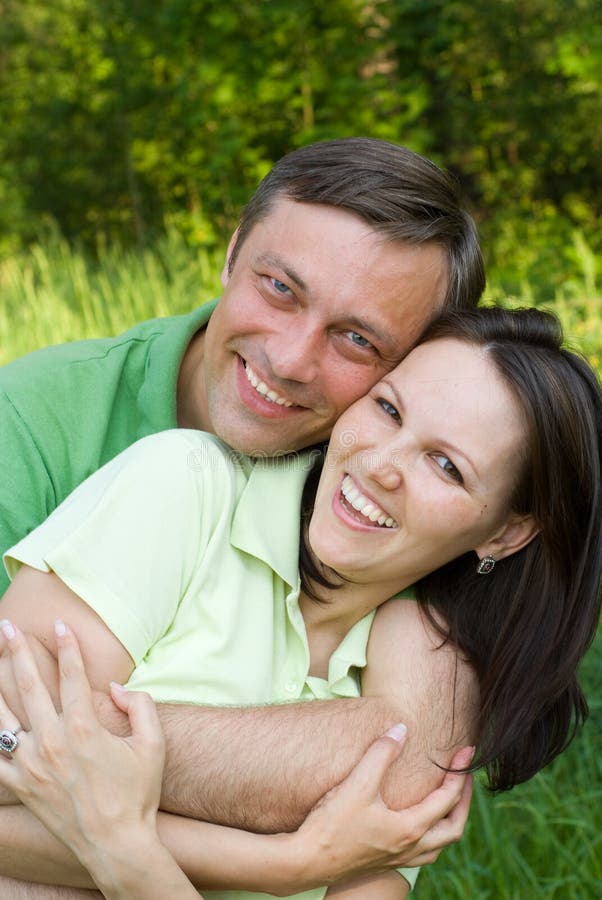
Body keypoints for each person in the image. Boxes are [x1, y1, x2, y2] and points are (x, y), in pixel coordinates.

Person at [0, 138, 485, 892]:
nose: (291, 359)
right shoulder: (31, 422)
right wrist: (289, 859)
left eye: (357, 338)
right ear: (231, 256)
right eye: (280, 288)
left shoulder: (380, 490)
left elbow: (406, 767)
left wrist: (90, 747)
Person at [0, 307, 599, 898]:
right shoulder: (187, 485)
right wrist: (288, 861)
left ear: (506, 533)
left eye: (446, 467)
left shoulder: (430, 688)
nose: (380, 465)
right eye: (387, 409)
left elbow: (31, 751)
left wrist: (128, 847)